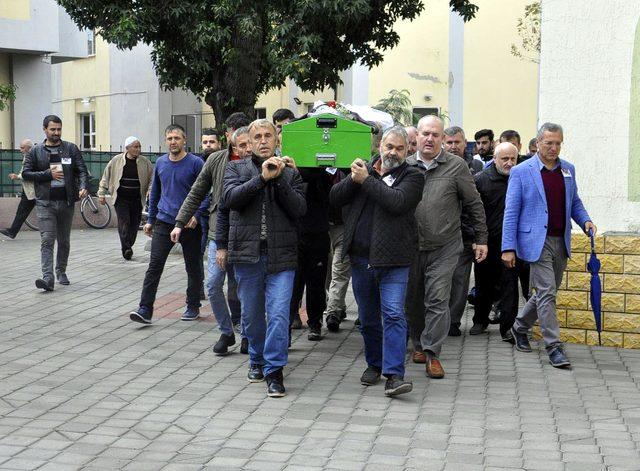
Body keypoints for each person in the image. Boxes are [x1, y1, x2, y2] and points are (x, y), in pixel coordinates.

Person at [331, 126, 423, 397]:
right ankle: (374, 364)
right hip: (360, 258)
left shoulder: (413, 176)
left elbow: (396, 202)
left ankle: (394, 375)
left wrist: (367, 179)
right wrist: (353, 178)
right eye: (389, 146)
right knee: (369, 318)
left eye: (400, 148)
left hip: (395, 260)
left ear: (408, 151)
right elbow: (334, 199)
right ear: (379, 145)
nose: (393, 152)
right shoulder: (362, 170)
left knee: (393, 314)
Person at [222, 119, 306, 397]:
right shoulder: (236, 168)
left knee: (280, 315)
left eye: (267, 135)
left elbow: (298, 210)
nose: (262, 141)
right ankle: (256, 358)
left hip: (281, 256)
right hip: (247, 255)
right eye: (257, 136)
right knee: (253, 316)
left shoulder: (291, 173)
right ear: (249, 140)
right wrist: (261, 179)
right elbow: (230, 199)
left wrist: (279, 177)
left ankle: (274, 369)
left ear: (277, 139)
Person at [502, 122, 596, 368]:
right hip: (536, 242)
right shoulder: (522, 171)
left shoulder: (568, 170)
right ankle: (554, 346)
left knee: (547, 292)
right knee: (546, 293)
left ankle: (519, 327)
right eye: (549, 143)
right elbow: (511, 212)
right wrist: (507, 247)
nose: (554, 148)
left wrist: (585, 221)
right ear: (538, 143)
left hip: (560, 240)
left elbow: (574, 201)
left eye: (558, 143)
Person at [406, 115, 487, 378]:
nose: (430, 139)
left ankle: (432, 352)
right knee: (414, 299)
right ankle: (417, 343)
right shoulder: (405, 166)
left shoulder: (456, 167)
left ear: (442, 138)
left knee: (437, 298)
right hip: (411, 247)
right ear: (417, 136)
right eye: (425, 133)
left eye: (435, 135)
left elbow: (474, 204)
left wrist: (481, 238)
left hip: (445, 246)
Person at [173, 126, 252, 355]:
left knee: (244, 289)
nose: (248, 149)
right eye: (243, 145)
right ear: (232, 145)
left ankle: (247, 335)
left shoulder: (257, 163)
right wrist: (180, 222)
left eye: (250, 144)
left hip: (246, 235)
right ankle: (226, 332)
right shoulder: (217, 160)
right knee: (212, 284)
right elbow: (197, 191)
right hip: (218, 233)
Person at [129, 124, 206, 324]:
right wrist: (151, 220)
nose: (173, 142)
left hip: (190, 224)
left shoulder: (196, 163)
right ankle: (145, 309)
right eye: (170, 138)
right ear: (166, 141)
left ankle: (193, 305)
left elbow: (206, 193)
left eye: (177, 138)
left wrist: (196, 215)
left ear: (185, 140)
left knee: (193, 266)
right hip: (164, 222)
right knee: (154, 266)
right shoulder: (161, 163)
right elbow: (154, 193)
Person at [21, 115, 88, 291]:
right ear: (45, 129)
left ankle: (61, 271)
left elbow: (81, 170)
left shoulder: (70, 149)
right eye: (53, 129)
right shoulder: (35, 151)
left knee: (64, 240)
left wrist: (82, 187)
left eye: (59, 129)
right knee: (47, 240)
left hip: (66, 202)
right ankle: (48, 278)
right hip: (45, 202)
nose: (56, 133)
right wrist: (47, 175)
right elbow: (26, 173)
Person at [471, 142, 519, 338]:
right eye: (504, 159)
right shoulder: (480, 180)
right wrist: (475, 239)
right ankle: (480, 321)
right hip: (486, 242)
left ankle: (507, 327)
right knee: (483, 283)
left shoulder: (520, 178)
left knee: (509, 285)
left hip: (511, 243)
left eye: (513, 159)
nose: (509, 163)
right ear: (495, 159)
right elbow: (471, 211)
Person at [442, 126, 483, 336]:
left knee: (459, 281)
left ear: (464, 143)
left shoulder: (475, 166)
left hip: (465, 236)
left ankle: (453, 322)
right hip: (442, 234)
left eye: (457, 142)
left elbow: (475, 204)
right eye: (449, 142)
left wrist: (476, 235)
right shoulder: (437, 165)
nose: (453, 146)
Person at [289, 164, 334, 341]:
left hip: (318, 231)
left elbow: (330, 197)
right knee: (294, 280)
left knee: (316, 281)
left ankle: (315, 322)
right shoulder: (288, 167)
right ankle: (292, 318)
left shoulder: (325, 171)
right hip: (295, 231)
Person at [98, 136, 153, 260]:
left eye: (139, 147)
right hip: (121, 198)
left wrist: (150, 190)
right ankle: (126, 248)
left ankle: (128, 243)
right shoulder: (116, 160)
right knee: (124, 222)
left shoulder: (145, 162)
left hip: (137, 199)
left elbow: (152, 179)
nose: (138, 149)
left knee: (134, 224)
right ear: (127, 148)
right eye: (135, 147)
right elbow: (105, 177)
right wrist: (101, 193)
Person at [1, 139, 36, 239]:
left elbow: (27, 172)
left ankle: (12, 231)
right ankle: (12, 231)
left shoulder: (31, 157)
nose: (20, 150)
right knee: (22, 210)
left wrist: (17, 176)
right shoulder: (28, 156)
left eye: (22, 148)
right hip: (28, 189)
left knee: (23, 210)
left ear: (28, 148)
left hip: (32, 189)